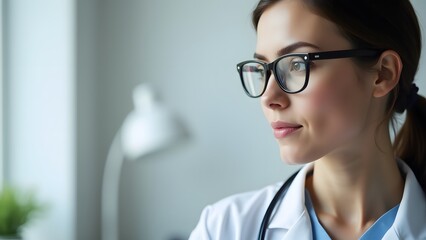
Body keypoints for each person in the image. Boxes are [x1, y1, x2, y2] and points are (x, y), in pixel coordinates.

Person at [189, 0, 426, 239]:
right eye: (263, 68)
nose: (268, 97)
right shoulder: (222, 228)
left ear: (383, 74)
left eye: (296, 64)